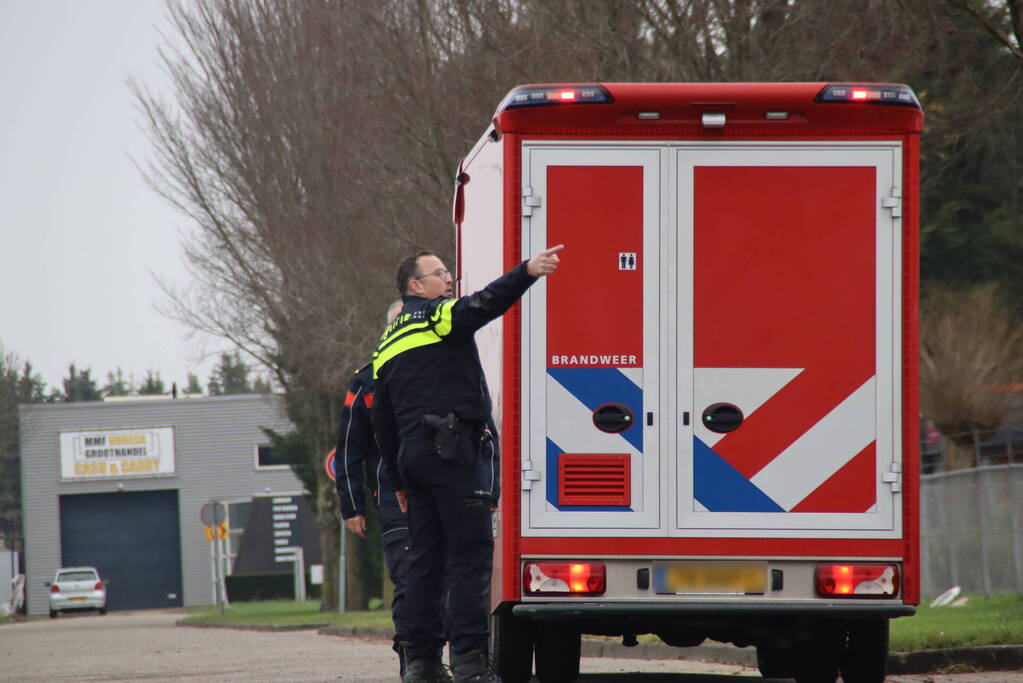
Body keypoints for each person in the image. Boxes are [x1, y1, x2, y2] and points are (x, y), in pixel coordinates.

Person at [371, 246, 563, 683]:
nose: (450, 279)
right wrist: (527, 271)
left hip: (413, 459)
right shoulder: (436, 315)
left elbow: (381, 420)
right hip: (454, 451)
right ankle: (471, 664)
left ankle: (419, 664)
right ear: (416, 287)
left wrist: (397, 477)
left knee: (424, 562)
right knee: (469, 559)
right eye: (440, 274)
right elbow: (484, 304)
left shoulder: (387, 340)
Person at [335, 300, 410, 677]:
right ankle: (415, 661)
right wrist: (352, 506)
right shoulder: (365, 381)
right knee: (410, 579)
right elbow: (349, 449)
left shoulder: (446, 372)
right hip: (393, 500)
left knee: (454, 579)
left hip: (447, 494)